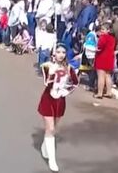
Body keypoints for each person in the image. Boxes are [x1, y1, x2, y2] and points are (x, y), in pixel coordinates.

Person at [37, 43, 79, 172]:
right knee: (50, 128)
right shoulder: (47, 66)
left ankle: (44, 146)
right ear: (53, 54)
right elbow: (46, 82)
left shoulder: (69, 68)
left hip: (60, 100)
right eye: (58, 52)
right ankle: (52, 160)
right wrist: (53, 72)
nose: (61, 55)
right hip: (48, 99)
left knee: (52, 129)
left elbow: (75, 83)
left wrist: (66, 91)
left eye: (63, 52)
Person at [94, 23, 116, 99]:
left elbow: (100, 46)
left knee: (100, 76)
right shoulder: (112, 38)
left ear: (108, 30)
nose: (102, 31)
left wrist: (96, 49)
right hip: (110, 58)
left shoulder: (103, 37)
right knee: (108, 75)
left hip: (102, 58)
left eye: (103, 29)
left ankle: (100, 93)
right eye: (101, 29)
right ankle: (109, 92)